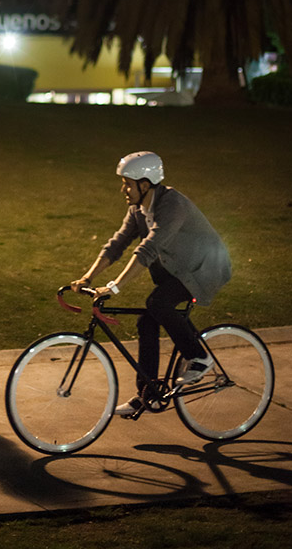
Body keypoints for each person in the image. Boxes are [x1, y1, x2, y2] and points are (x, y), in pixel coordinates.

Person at [71, 151, 231, 418]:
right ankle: (147, 395)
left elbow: (149, 249)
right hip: (177, 271)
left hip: (204, 269)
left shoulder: (172, 206)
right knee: (147, 321)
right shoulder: (137, 209)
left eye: (127, 183)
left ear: (144, 184)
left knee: (158, 303)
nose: (123, 188)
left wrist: (114, 287)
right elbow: (117, 244)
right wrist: (88, 277)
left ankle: (199, 357)